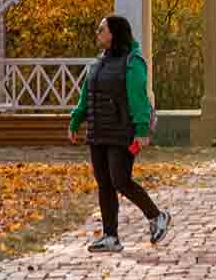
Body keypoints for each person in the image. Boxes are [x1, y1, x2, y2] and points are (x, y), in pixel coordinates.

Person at [68, 13, 172, 252]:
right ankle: (110, 237)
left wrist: (142, 129)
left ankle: (157, 216)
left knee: (120, 180)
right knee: (104, 183)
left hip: (121, 131)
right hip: (98, 131)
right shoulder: (98, 62)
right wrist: (76, 120)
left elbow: (138, 98)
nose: (98, 33)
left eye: (101, 29)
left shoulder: (133, 62)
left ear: (114, 33)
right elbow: (86, 95)